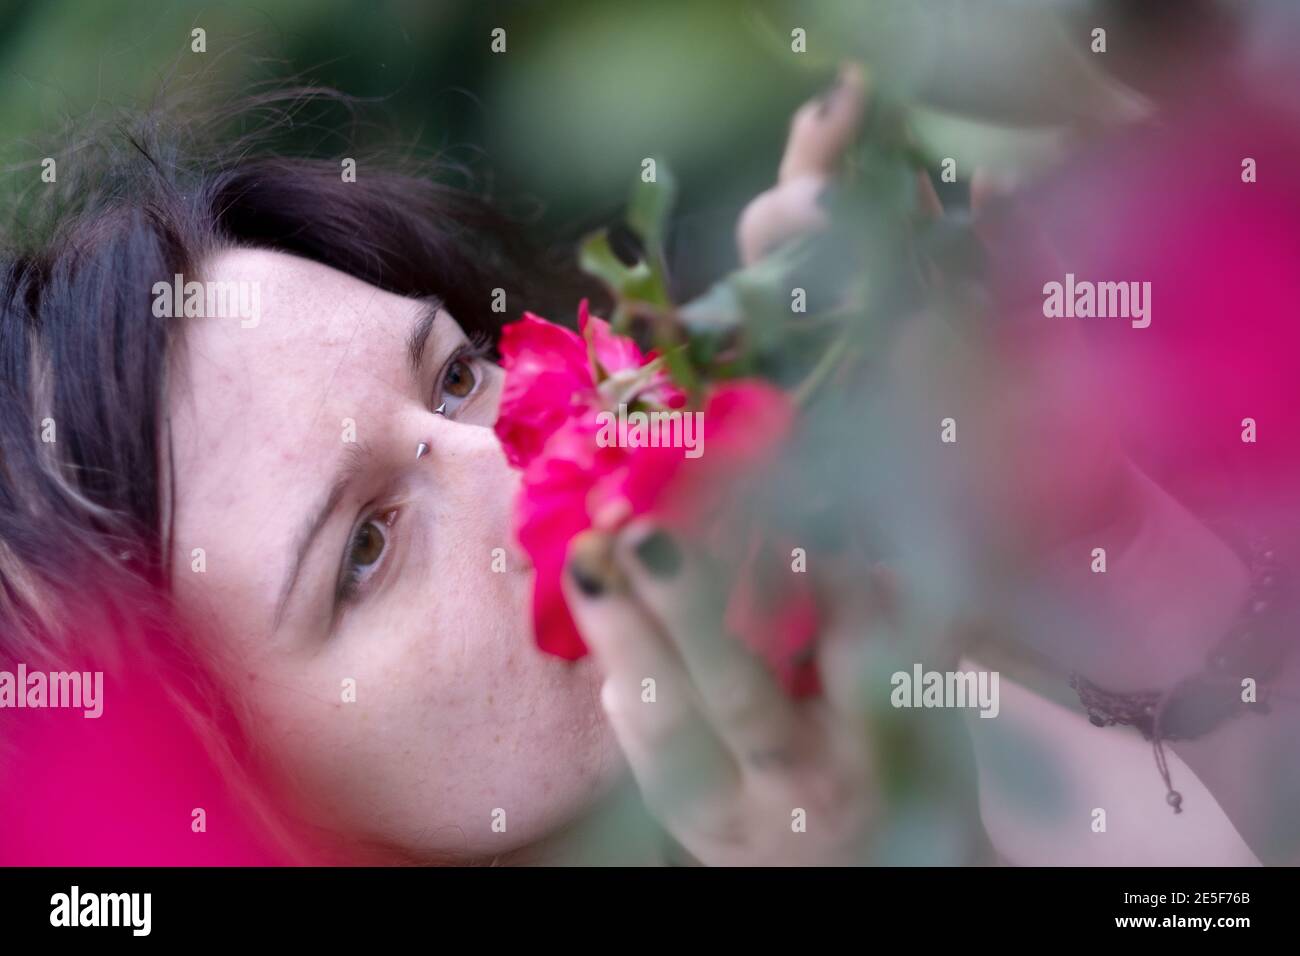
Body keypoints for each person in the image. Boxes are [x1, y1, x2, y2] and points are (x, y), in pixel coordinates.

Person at [0, 67, 1278, 866]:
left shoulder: (859, 656)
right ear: (223, 780)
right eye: (366, 546)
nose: (517, 462)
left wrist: (1064, 498)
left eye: (454, 375)